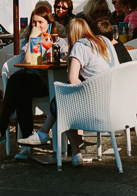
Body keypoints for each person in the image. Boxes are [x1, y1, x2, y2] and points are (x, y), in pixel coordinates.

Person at [22, 17, 117, 166]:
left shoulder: (79, 46)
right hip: (114, 101)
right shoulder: (105, 42)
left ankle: (47, 135)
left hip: (97, 106)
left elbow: (73, 79)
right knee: (66, 99)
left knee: (66, 97)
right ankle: (50, 137)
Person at [0, 3, 65, 159]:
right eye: (34, 22)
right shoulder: (27, 42)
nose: (37, 26)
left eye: (40, 23)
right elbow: (27, 62)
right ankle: (25, 145)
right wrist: (32, 39)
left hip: (51, 84)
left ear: (49, 25)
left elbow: (64, 61)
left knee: (17, 79)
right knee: (22, 91)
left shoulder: (59, 42)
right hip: (31, 82)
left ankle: (1, 130)